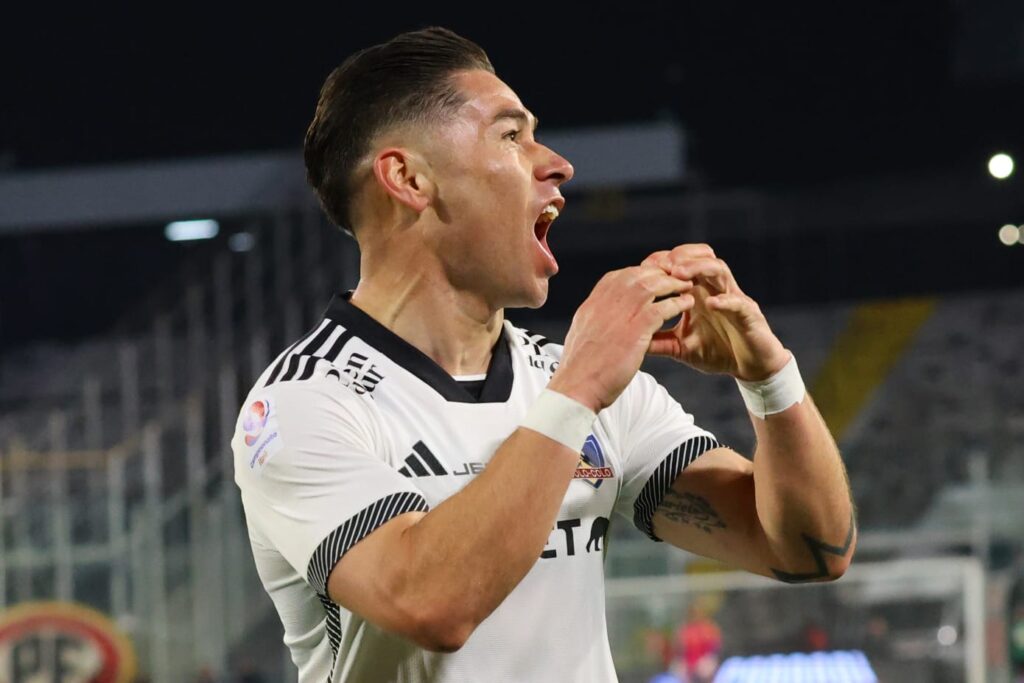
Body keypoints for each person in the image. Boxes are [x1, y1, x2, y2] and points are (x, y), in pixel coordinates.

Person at [231, 26, 856, 683]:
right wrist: (578, 387)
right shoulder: (300, 406)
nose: (557, 162)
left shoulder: (580, 385)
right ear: (409, 177)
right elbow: (432, 602)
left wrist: (769, 379)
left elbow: (810, 549)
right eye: (511, 135)